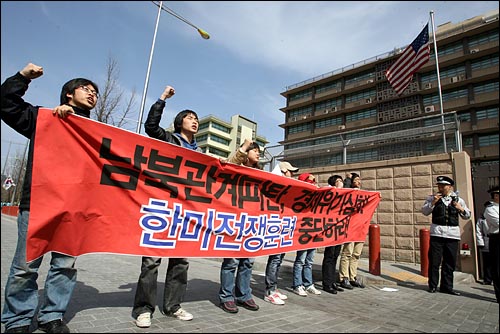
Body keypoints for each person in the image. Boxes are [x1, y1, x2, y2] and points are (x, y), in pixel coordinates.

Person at [1, 63, 100, 333]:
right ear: (68, 94)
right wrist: (22, 78)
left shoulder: (96, 131)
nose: (92, 94)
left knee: (65, 265)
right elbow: (6, 105)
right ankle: (17, 320)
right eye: (86, 89)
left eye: (95, 92)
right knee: (25, 267)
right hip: (38, 204)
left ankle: (52, 316)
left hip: (75, 209)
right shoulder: (44, 118)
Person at [132, 86, 198, 328]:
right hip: (161, 207)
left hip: (185, 211)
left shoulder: (199, 152)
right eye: (190, 118)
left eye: (196, 119)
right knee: (151, 261)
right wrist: (162, 99)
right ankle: (143, 309)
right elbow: (151, 128)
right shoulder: (170, 139)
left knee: (181, 261)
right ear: (180, 122)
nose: (194, 122)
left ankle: (173, 306)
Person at [218, 138, 261, 313]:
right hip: (235, 221)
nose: (258, 153)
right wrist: (243, 147)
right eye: (255, 150)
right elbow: (229, 165)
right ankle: (227, 296)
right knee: (232, 261)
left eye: (259, 151)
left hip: (253, 222)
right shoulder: (236, 167)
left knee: (248, 261)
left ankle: (244, 295)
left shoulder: (261, 174)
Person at [422, 175, 471, 296]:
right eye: (439, 185)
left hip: (452, 235)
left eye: (443, 186)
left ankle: (447, 287)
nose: (440, 188)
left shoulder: (458, 200)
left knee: (449, 262)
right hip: (437, 234)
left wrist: (460, 209)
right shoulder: (432, 198)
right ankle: (433, 285)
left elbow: (467, 215)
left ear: (450, 186)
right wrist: (432, 203)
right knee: (434, 261)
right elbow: (424, 211)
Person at [264, 161, 299, 305]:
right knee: (275, 259)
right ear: (284, 170)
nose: (293, 174)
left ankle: (274, 287)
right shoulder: (274, 183)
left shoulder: (287, 185)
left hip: (284, 226)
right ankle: (269, 291)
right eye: (291, 171)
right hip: (274, 226)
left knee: (278, 259)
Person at [291, 173, 322, 297]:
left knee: (309, 261)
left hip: (313, 232)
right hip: (303, 234)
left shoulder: (316, 197)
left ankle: (308, 284)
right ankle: (297, 285)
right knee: (301, 260)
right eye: (310, 181)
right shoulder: (299, 196)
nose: (313, 184)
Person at [339, 172, 366, 290]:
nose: (359, 182)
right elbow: (344, 191)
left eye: (360, 180)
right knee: (347, 253)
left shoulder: (364, 194)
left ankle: (352, 277)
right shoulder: (348, 193)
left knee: (356, 254)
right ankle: (343, 277)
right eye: (356, 180)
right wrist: (348, 180)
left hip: (361, 228)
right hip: (350, 227)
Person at [321, 175, 345, 294]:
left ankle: (332, 282)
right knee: (329, 257)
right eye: (338, 181)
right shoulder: (329, 192)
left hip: (339, 230)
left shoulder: (344, 194)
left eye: (341, 180)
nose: (341, 183)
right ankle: (327, 283)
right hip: (330, 230)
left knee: (335, 256)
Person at [483, 186, 499, 303]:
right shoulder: (490, 209)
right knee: (497, 267)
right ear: (496, 195)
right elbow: (497, 222)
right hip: (497, 239)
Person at [476, 210, 492, 285]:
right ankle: (488, 279)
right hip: (487, 241)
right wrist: (480, 242)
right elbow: (478, 231)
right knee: (487, 262)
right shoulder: (482, 219)